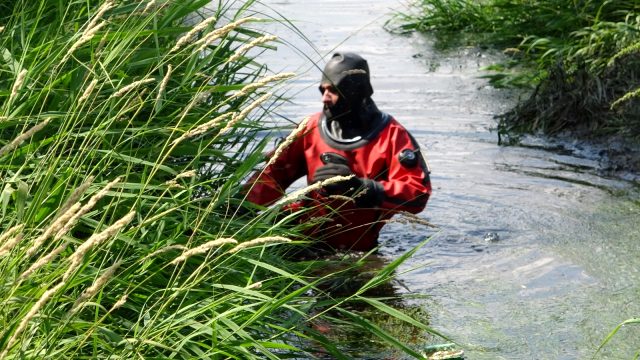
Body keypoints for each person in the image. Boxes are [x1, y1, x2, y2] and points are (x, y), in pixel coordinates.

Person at [246, 52, 431, 252]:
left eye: (333, 90)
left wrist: (359, 188)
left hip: (357, 252)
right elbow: (270, 179)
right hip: (300, 242)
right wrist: (233, 213)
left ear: (357, 91)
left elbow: (417, 194)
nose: (325, 98)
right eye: (322, 90)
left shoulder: (391, 136)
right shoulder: (310, 129)